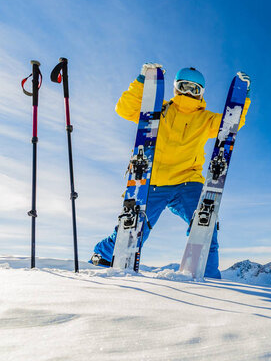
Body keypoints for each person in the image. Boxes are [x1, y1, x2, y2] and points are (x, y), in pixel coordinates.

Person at [90, 63, 251, 278]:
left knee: (204, 226)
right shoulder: (158, 111)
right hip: (154, 180)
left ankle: (209, 277)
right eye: (184, 86)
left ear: (201, 93)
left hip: (188, 181)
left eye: (194, 89)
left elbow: (232, 124)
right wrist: (141, 83)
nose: (188, 92)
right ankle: (102, 256)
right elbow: (124, 109)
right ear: (175, 87)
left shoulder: (207, 119)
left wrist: (242, 98)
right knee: (133, 230)